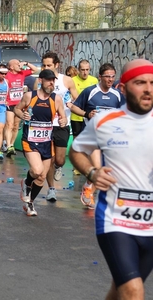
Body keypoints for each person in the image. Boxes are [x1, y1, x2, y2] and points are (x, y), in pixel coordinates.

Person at [69, 58, 153, 300]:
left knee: (121, 290)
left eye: (152, 82)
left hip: (150, 226)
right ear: (123, 88)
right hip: (116, 221)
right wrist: (92, 173)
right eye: (140, 83)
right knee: (134, 291)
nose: (148, 88)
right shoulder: (104, 122)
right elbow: (77, 150)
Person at [70, 63, 125, 209]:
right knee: (97, 166)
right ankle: (89, 192)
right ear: (100, 77)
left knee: (110, 170)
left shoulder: (117, 95)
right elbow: (74, 107)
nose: (110, 79)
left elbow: (126, 113)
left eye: (113, 76)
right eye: (107, 76)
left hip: (110, 139)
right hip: (92, 138)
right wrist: (87, 114)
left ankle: (88, 187)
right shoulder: (90, 92)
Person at [14, 69, 67, 216]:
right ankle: (26, 183)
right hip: (30, 141)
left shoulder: (56, 99)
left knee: (42, 176)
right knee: (37, 171)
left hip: (46, 141)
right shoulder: (29, 96)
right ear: (41, 80)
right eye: (49, 80)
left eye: (53, 80)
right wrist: (22, 114)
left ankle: (29, 203)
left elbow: (63, 117)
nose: (52, 83)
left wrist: (63, 121)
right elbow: (16, 109)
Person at [39, 52, 78, 202]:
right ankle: (51, 189)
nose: (46, 67)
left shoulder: (66, 80)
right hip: (46, 125)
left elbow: (77, 98)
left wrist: (71, 104)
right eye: (44, 65)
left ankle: (59, 167)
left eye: (49, 65)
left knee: (60, 160)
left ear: (56, 65)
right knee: (49, 158)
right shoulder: (40, 80)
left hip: (62, 123)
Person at [4, 59, 37, 157]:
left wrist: (26, 63)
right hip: (9, 103)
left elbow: (35, 70)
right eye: (17, 64)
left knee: (16, 126)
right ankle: (8, 145)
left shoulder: (22, 73)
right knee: (9, 124)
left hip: (19, 104)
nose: (20, 65)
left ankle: (12, 145)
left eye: (20, 63)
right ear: (11, 67)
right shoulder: (7, 75)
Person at [71, 59, 98, 174]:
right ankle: (77, 166)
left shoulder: (94, 80)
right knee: (77, 141)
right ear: (78, 70)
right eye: (82, 70)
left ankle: (90, 164)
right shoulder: (72, 80)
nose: (85, 72)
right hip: (77, 116)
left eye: (87, 70)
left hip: (90, 117)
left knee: (91, 141)